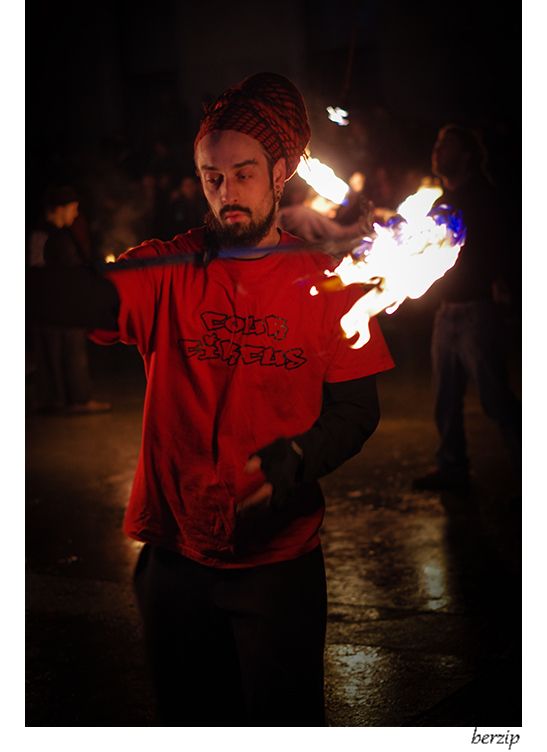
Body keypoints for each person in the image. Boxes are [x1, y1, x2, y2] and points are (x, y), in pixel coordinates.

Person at [28, 73, 394, 726]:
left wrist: (301, 455)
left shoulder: (329, 282)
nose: (226, 192)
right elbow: (72, 297)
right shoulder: (166, 268)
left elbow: (356, 410)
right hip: (174, 563)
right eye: (211, 175)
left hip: (278, 566)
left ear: (281, 171)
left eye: (243, 173)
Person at [413, 124, 520, 491]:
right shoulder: (441, 201)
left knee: (495, 399)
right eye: (437, 143)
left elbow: (504, 247)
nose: (437, 150)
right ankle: (452, 466)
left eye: (447, 145)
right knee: (445, 397)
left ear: (468, 155)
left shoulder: (484, 198)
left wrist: (507, 287)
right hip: (447, 310)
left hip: (478, 310)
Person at [28, 186, 111, 415]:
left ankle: (72, 399)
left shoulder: (62, 233)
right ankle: (60, 400)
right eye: (72, 209)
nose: (75, 215)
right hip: (52, 305)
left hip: (65, 303)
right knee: (54, 351)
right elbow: (36, 269)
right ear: (60, 209)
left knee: (69, 350)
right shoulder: (40, 235)